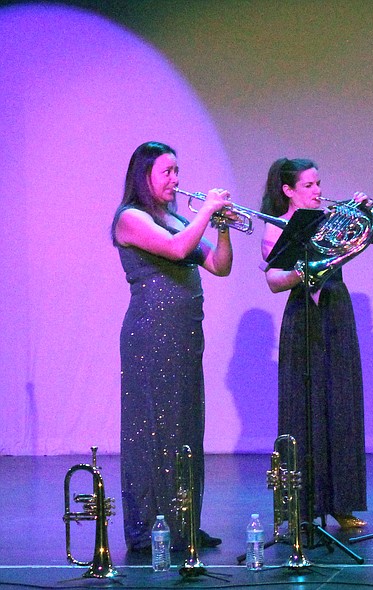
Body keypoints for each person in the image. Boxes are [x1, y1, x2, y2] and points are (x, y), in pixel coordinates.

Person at [111, 141, 233, 552]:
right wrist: (206, 211)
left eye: (177, 171)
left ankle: (185, 524)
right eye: (167, 172)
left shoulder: (177, 217)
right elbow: (178, 249)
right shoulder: (131, 218)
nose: (176, 180)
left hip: (183, 336)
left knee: (185, 426)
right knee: (153, 429)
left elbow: (219, 265)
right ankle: (151, 528)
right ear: (144, 176)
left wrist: (221, 226)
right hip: (150, 336)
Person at [260, 157, 373, 530]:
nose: (318, 191)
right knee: (303, 408)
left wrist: (366, 210)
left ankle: (343, 504)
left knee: (341, 404)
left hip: (336, 312)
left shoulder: (331, 221)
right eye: (309, 186)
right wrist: (305, 270)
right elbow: (274, 280)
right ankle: (300, 508)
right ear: (289, 191)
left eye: (318, 184)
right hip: (304, 317)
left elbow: (372, 237)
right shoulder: (276, 230)